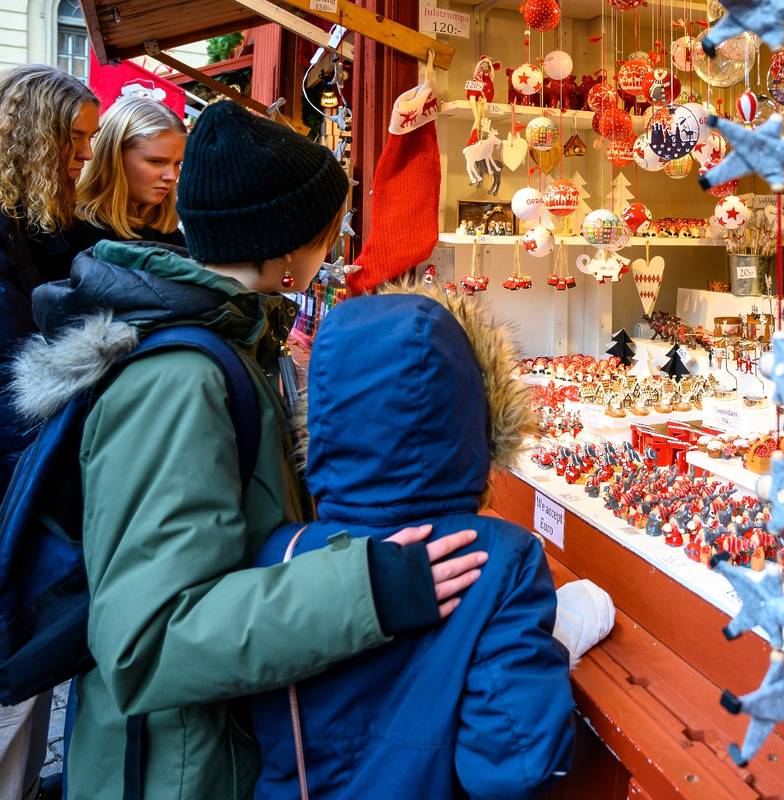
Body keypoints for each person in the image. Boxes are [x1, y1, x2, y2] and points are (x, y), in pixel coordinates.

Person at [8, 101, 485, 800]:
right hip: (174, 769)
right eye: (332, 226)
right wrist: (369, 588)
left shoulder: (230, 344)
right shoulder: (178, 380)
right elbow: (150, 639)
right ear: (287, 245)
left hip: (209, 750)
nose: (338, 239)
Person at [249, 287, 612, 799]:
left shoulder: (279, 555)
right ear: (476, 408)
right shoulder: (499, 560)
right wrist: (558, 640)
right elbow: (514, 765)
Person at [0, 63, 97, 800]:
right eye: (75, 140)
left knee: (27, 685)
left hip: (35, 483)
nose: (84, 157)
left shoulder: (51, 227)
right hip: (16, 486)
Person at [72, 95, 187, 251]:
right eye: (156, 161)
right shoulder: (72, 231)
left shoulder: (168, 232)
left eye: (177, 163)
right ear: (113, 156)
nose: (172, 176)